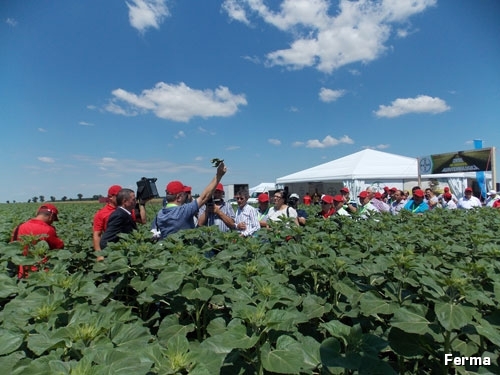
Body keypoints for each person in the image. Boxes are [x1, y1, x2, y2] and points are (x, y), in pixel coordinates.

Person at [154, 161, 227, 239]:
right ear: (179, 197)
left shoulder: (160, 213)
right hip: (185, 249)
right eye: (184, 193)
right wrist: (219, 175)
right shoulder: (183, 211)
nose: (187, 195)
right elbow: (205, 196)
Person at [10, 204, 64, 278]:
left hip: (21, 274)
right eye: (53, 219)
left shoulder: (18, 227)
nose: (52, 222)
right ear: (51, 216)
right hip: (41, 275)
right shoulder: (48, 230)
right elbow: (59, 248)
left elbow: (12, 247)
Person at [93, 184, 148, 251]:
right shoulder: (102, 213)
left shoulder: (127, 210)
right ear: (110, 197)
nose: (120, 197)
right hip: (115, 246)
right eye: (118, 196)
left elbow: (143, 221)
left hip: (127, 245)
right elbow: (97, 235)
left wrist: (142, 204)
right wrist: (99, 254)